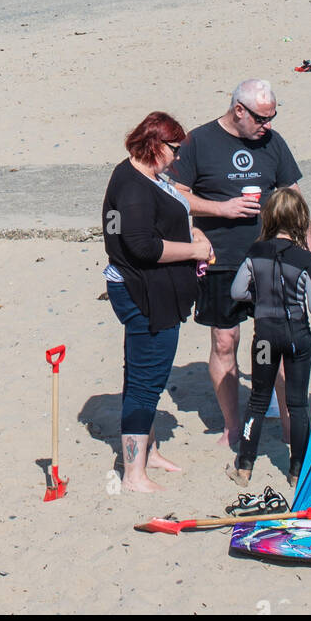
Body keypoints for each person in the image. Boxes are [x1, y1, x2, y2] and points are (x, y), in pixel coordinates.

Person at [169, 80, 310, 451]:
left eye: (273, 116)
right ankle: (233, 427)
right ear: (238, 111)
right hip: (221, 259)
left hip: (271, 258)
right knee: (225, 339)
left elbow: (293, 195)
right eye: (262, 118)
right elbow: (176, 195)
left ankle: (291, 427)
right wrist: (221, 209)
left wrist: (308, 255)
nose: (267, 124)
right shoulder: (198, 142)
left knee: (279, 341)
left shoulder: (272, 142)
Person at [102, 112, 214, 492]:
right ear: (154, 143)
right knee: (145, 381)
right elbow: (142, 247)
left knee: (144, 374)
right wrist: (194, 248)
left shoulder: (143, 175)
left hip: (151, 289)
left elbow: (163, 217)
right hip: (143, 293)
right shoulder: (132, 186)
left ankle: (147, 453)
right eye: (174, 149)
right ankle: (133, 474)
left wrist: (191, 229)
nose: (178, 156)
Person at [227, 190, 311, 490]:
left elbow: (236, 292)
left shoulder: (255, 252)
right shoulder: (305, 259)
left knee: (258, 399)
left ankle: (244, 466)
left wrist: (258, 297)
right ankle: (296, 470)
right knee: (297, 404)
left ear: (267, 217)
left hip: (266, 335)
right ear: (299, 219)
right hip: (296, 335)